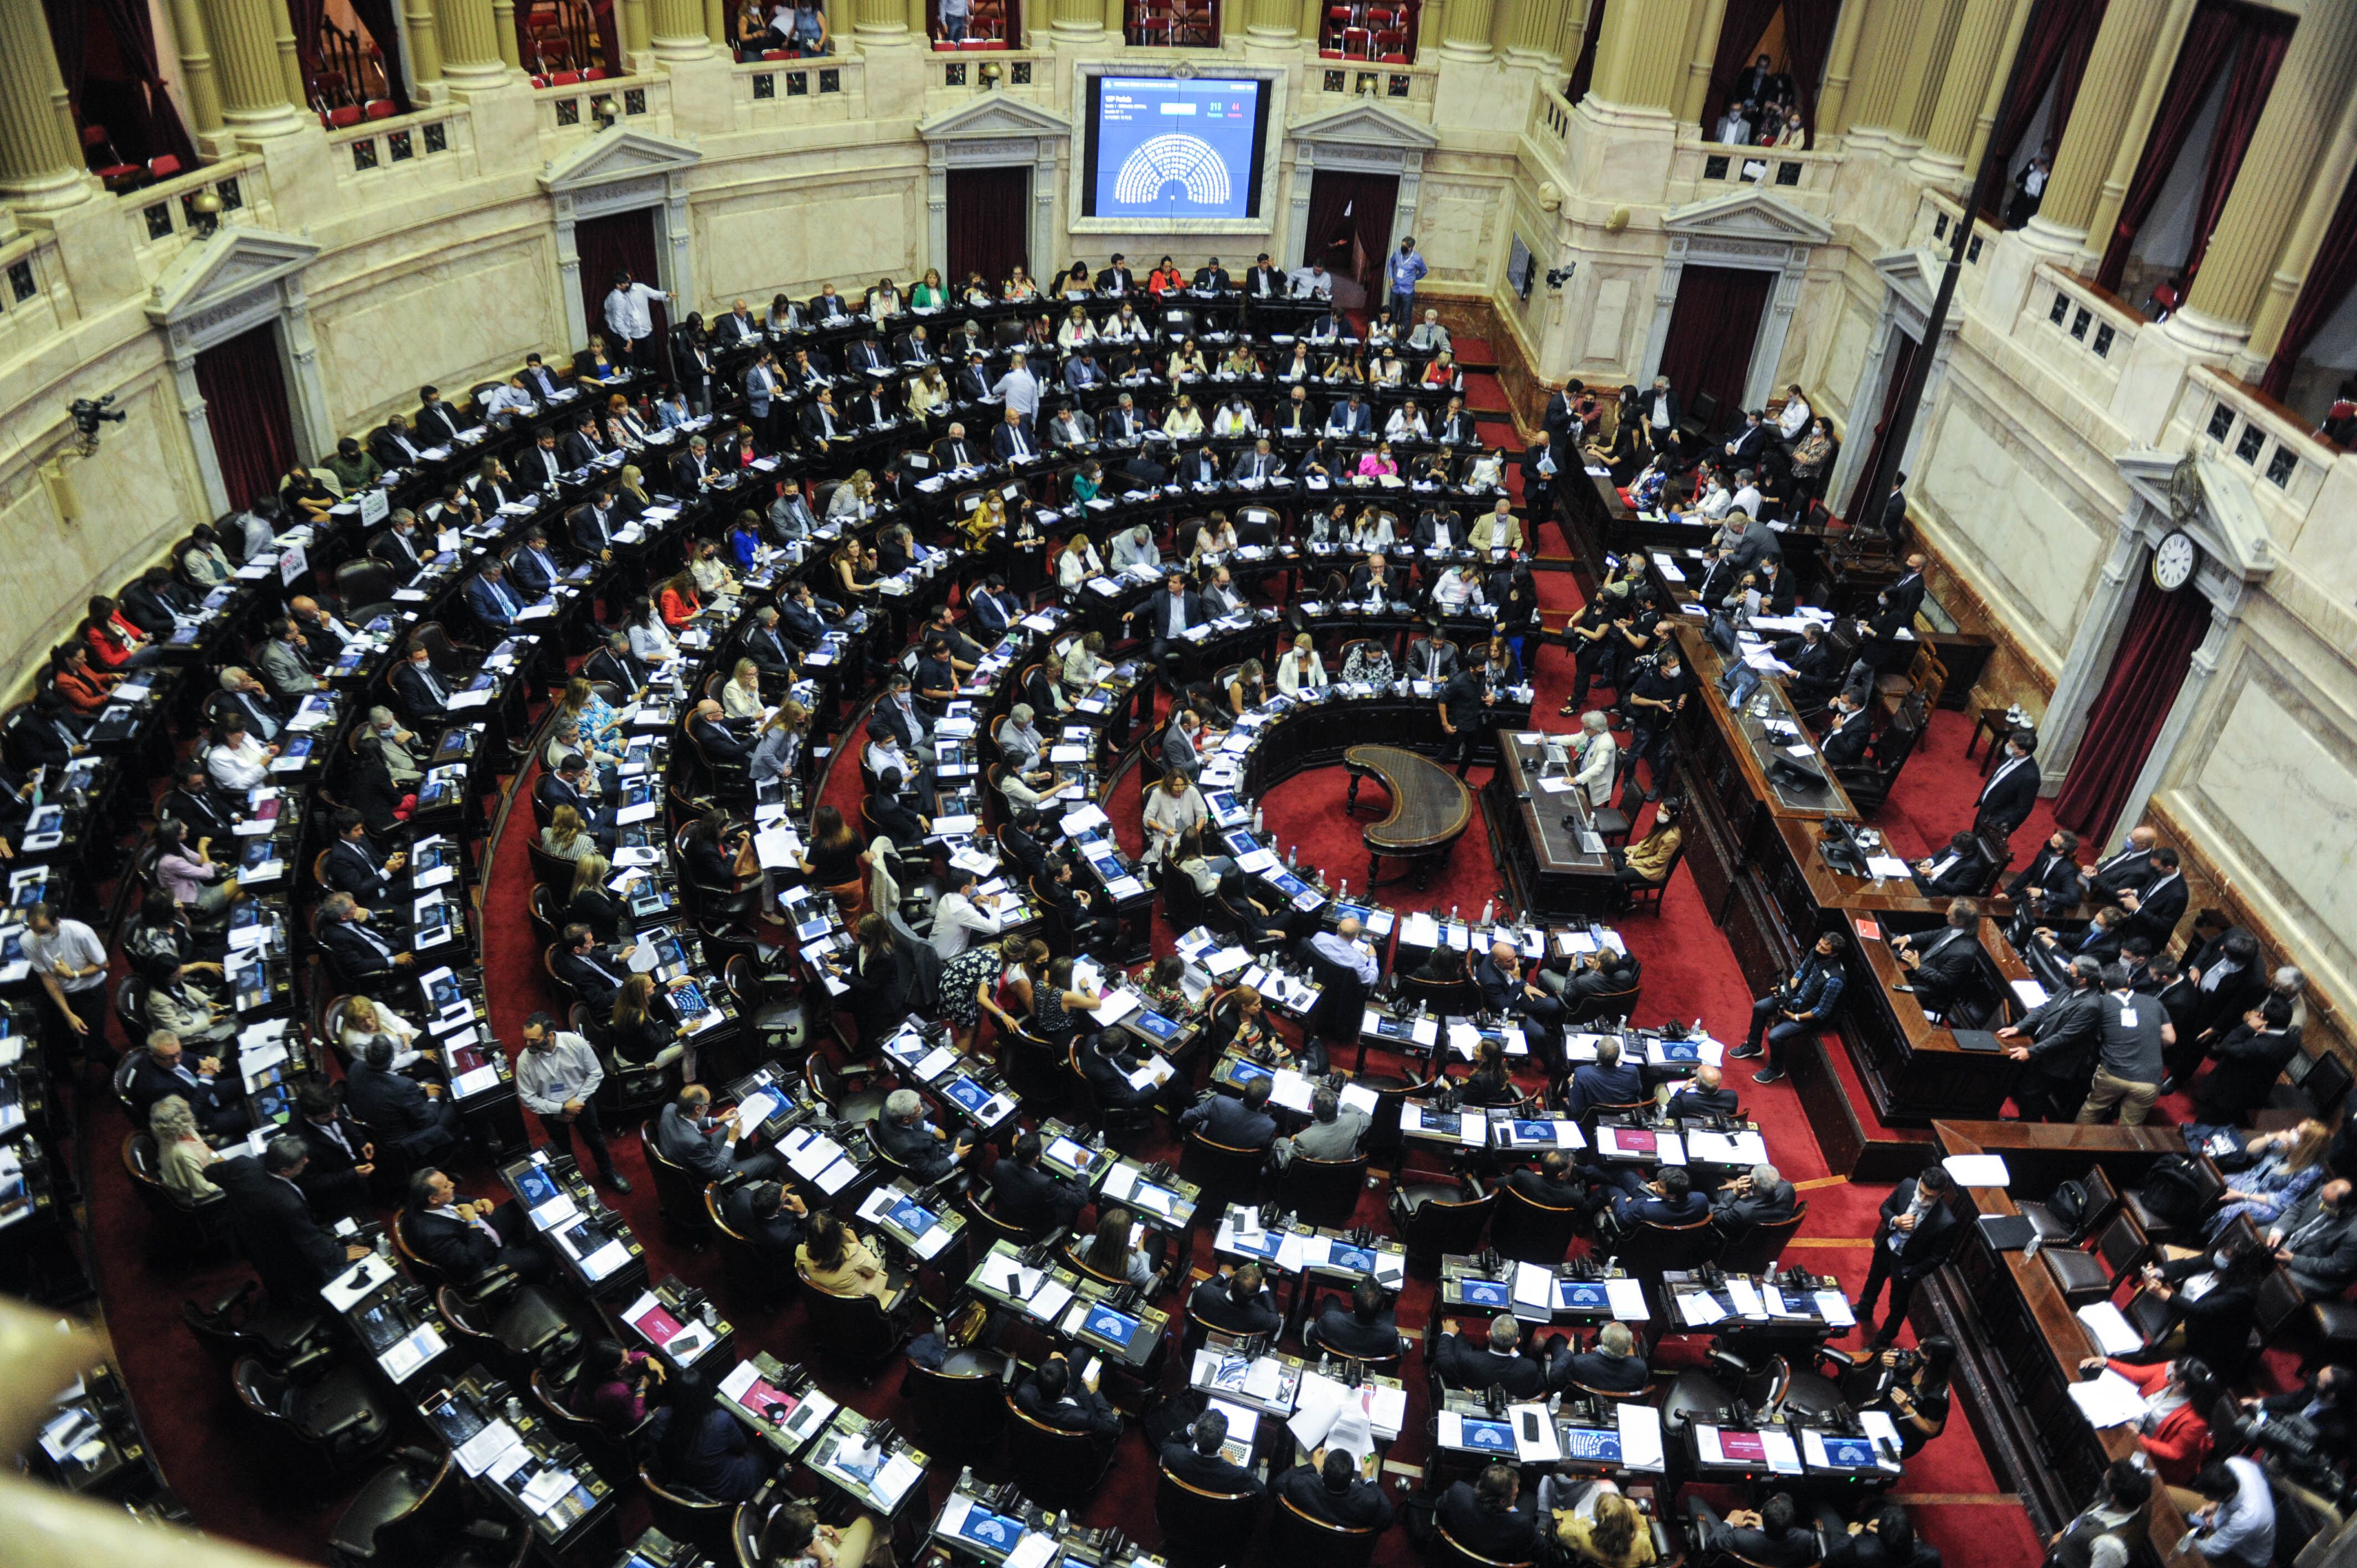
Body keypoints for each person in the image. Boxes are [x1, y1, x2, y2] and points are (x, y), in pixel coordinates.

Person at [210, 1138, 370, 1303]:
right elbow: (309, 1240)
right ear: (285, 1171)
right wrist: (339, 1254)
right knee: (299, 1286)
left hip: (247, 1234)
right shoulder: (287, 1203)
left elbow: (211, 1172)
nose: (307, 1161)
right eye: (302, 1162)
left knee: (270, 1276)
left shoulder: (242, 1164)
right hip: (278, 1247)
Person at [515, 1012, 630, 1192]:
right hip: (550, 1111)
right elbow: (527, 1098)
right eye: (526, 1040)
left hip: (581, 1103)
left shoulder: (575, 1044)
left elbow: (596, 1073)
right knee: (562, 1147)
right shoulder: (524, 1060)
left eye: (534, 1040)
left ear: (550, 1035)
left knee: (595, 1140)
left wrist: (577, 1102)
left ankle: (609, 1173)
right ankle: (574, 1181)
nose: (528, 1045)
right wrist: (561, 1108)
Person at [1855, 1165, 1959, 1347]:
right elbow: (1885, 1207)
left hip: (1907, 1266)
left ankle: (1883, 1339)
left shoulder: (1946, 1222)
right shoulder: (1906, 1186)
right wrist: (1896, 1220)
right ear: (1919, 1181)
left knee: (1898, 1306)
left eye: (1930, 1197)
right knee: (1873, 1281)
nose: (1923, 1199)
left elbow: (1937, 1257)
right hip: (1887, 1248)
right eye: (1921, 1192)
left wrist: (1911, 1274)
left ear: (1941, 1195)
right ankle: (1864, 1309)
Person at [403, 1167, 550, 1284]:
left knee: (517, 1205)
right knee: (544, 1253)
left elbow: (453, 1199)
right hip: (486, 1261)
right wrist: (473, 1223)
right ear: (433, 1198)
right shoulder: (433, 1235)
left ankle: (523, 1241)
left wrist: (474, 1202)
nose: (453, 1185)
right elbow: (471, 1261)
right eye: (447, 1186)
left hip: (482, 1233)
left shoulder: (423, 1202)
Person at [642, 1370, 768, 1504]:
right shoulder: (721, 1420)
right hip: (720, 1487)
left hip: (683, 1477)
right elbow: (741, 1446)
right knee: (760, 1454)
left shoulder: (662, 1416)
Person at [656, 1084, 785, 1183]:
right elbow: (717, 1170)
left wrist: (718, 1120)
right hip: (716, 1171)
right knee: (770, 1160)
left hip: (701, 1153)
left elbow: (690, 1123)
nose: (710, 1106)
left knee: (733, 1125)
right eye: (708, 1104)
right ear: (698, 1109)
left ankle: (747, 1159)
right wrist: (732, 1140)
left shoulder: (670, 1108)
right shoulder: (695, 1144)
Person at [1859, 1337, 1956, 1458]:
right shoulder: (1918, 1361)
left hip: (1903, 1434)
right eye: (1921, 1346)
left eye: (1924, 1352)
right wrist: (1884, 1359)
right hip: (1886, 1411)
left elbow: (1931, 1430)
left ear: (1936, 1361)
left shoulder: (1936, 1397)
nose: (1917, 1350)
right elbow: (1899, 1364)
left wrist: (1907, 1408)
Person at [2175, 1458, 2275, 1568]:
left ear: (2223, 1496)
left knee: (2184, 1556)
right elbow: (2221, 1499)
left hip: (2243, 1556)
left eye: (2209, 1497)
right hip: (2226, 1519)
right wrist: (2213, 1506)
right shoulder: (2233, 1463)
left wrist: (2182, 1535)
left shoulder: (2248, 1519)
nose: (2204, 1498)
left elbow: (2210, 1549)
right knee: (2173, 1496)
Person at [1015, 1351, 1121, 1453]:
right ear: (1064, 1390)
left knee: (1078, 1353)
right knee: (1085, 1385)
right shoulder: (1082, 1418)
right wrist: (1095, 1392)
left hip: (1051, 1414)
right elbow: (1113, 1430)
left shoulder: (1024, 1395)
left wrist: (1050, 1363)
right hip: (1072, 1414)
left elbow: (1031, 1381)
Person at [1433, 1314, 1562, 1397]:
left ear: (1489, 1335)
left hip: (1473, 1384)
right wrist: (1517, 1355)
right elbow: (1538, 1387)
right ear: (1517, 1342)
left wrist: (1448, 1334)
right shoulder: (1528, 1368)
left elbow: (1443, 1361)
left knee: (1450, 1329)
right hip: (1510, 1392)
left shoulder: (1468, 1359)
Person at [874, 1087, 977, 1187]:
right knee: (969, 1135)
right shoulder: (908, 1148)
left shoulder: (887, 1109)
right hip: (931, 1159)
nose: (922, 1110)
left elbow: (912, 1122)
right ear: (906, 1120)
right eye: (919, 1111)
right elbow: (930, 1173)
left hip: (917, 1143)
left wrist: (933, 1129)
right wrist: (957, 1155)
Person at [1439, 1463, 1543, 1562]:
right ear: (1502, 1502)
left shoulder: (1457, 1493)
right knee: (1530, 1499)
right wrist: (1513, 1511)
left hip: (1454, 1561)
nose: (1517, 1494)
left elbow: (1439, 1510)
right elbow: (1542, 1550)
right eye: (1515, 1494)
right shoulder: (1522, 1525)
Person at [1685, 1493, 1819, 1568]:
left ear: (1761, 1512)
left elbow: (1711, 1543)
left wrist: (1729, 1522)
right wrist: (1764, 1527)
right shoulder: (1804, 1539)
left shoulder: (1739, 1537)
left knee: (1694, 1500)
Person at [1278, 1449, 1394, 1530]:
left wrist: (1312, 1467)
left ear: (1323, 1471)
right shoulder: (1367, 1501)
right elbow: (1388, 1517)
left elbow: (1278, 1483)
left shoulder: (1301, 1485)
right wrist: (1368, 1478)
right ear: (1351, 1479)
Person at [1160, 1406, 1262, 1497]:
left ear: (1196, 1433)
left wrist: (1191, 1430)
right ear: (1223, 1440)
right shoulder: (1237, 1475)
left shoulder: (1176, 1456)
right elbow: (1262, 1492)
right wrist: (1236, 1465)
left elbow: (1168, 1443)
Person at [797, 1209, 893, 1301]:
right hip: (866, 1299)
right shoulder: (852, 1255)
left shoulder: (801, 1253)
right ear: (837, 1235)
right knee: (871, 1238)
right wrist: (857, 1243)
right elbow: (874, 1268)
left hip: (836, 1299)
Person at [571, 1338, 661, 1436]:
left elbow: (627, 1357)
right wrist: (641, 1389)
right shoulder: (618, 1392)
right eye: (623, 1364)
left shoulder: (590, 1370)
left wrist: (645, 1359)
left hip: (583, 1409)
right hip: (612, 1429)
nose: (629, 1362)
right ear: (609, 1372)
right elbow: (635, 1419)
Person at [1554, 1484, 1656, 1568]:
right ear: (1628, 1516)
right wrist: (1639, 1524)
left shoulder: (1581, 1535)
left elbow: (1561, 1532)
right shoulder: (1641, 1542)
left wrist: (1588, 1519)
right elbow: (1651, 1561)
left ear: (1598, 1517)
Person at [1306, 1275, 1402, 1361]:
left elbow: (1309, 1337)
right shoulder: (1390, 1334)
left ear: (1353, 1303)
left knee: (1331, 1299)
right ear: (1380, 1308)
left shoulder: (1329, 1321)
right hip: (1369, 1369)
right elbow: (1397, 1357)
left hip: (1331, 1361)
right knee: (1391, 1315)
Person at [1275, 1085, 1370, 1169]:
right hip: (1341, 1177)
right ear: (1336, 1108)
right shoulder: (1353, 1121)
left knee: (1280, 1141)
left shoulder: (1303, 1139)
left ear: (1314, 1110)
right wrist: (1340, 1103)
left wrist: (1292, 1143)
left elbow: (1285, 1164)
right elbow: (1367, 1117)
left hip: (1311, 1179)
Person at [1179, 1076, 1278, 1152]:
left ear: (1245, 1090)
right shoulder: (1268, 1126)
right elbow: (1265, 1153)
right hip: (1234, 1167)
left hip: (1205, 1152)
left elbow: (1186, 1118)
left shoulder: (1219, 1102)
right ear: (1265, 1102)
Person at [150, 1095, 220, 1199]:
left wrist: (219, 1160)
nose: (188, 1104)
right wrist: (228, 1175)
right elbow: (204, 1190)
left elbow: (204, 1149)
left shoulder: (181, 1130)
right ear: (180, 1119)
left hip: (213, 1168)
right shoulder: (183, 1153)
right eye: (185, 1110)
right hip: (208, 1191)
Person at [1190, 1263, 1281, 1337]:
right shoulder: (1260, 1317)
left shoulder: (1205, 1293)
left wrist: (1224, 1275)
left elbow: (1205, 1286)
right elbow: (1276, 1321)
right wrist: (1264, 1288)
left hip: (1202, 1336)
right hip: (1238, 1343)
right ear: (1256, 1295)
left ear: (1231, 1283)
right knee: (1273, 1283)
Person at [1563, 1322, 1649, 1394]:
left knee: (1558, 1340)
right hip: (1620, 1405)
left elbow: (1556, 1378)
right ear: (1628, 1346)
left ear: (1600, 1339)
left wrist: (1569, 1352)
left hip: (1585, 1402)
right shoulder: (1640, 1368)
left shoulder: (1579, 1362)